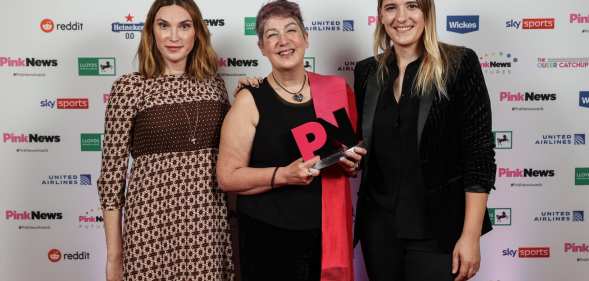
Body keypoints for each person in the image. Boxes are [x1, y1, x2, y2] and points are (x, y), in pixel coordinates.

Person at [216, 1, 366, 280]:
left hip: (325, 237)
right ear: (261, 47)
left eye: (291, 30)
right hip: (267, 238)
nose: (283, 41)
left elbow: (348, 158)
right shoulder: (250, 99)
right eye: (272, 34)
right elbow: (227, 177)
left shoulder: (337, 90)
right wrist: (283, 175)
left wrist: (350, 164)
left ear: (306, 38)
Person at [353, 0, 496, 280]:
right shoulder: (366, 72)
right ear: (380, 15)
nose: (401, 17)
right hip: (379, 230)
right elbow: (367, 144)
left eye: (412, 6)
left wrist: (470, 236)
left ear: (427, 12)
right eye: (391, 7)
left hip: (437, 230)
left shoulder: (459, 64)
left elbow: (479, 154)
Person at [97, 0, 233, 280]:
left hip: (207, 227)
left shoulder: (215, 86)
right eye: (164, 25)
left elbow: (234, 156)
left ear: (197, 33)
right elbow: (112, 177)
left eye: (184, 26)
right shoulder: (129, 87)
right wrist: (114, 257)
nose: (173, 36)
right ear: (151, 32)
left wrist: (250, 94)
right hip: (150, 229)